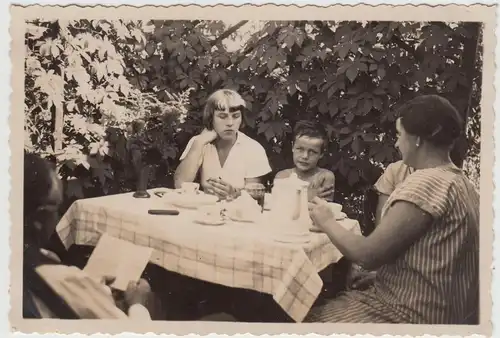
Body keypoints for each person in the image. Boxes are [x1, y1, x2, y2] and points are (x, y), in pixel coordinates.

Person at [305, 95, 479, 324]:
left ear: (417, 139)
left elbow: (368, 255)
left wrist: (326, 220)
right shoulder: (462, 183)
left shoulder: (426, 183)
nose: (397, 144)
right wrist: (383, 276)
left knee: (303, 320)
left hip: (410, 315)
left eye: (399, 135)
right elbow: (437, 259)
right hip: (445, 310)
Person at [23, 152, 153, 319]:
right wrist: (138, 305)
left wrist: (94, 291)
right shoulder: (58, 278)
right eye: (57, 208)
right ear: (39, 218)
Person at [174, 89, 272, 200]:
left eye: (235, 116)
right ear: (211, 119)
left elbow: (255, 196)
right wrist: (199, 143)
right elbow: (180, 184)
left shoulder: (253, 149)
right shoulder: (199, 142)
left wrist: (235, 193)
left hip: (239, 213)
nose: (230, 123)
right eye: (222, 116)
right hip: (205, 212)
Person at [274, 120, 335, 202]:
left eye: (312, 152)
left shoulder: (324, 177)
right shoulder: (283, 176)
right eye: (300, 149)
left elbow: (323, 210)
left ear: (321, 154)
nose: (305, 156)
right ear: (293, 147)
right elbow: (279, 206)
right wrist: (310, 197)